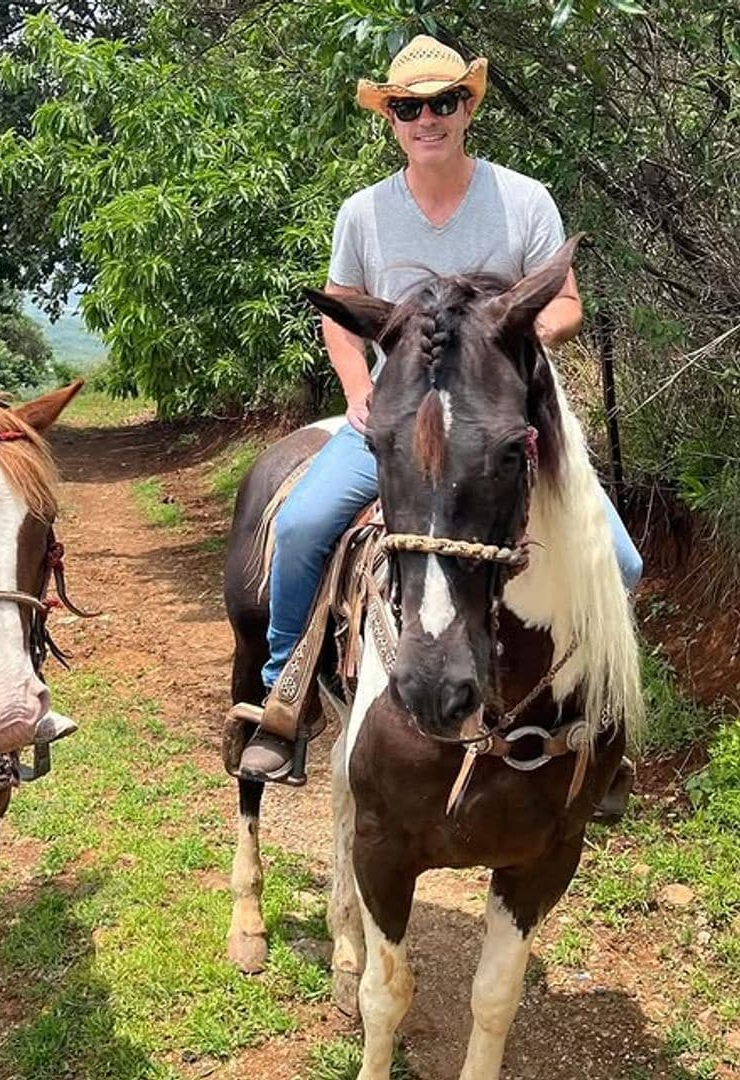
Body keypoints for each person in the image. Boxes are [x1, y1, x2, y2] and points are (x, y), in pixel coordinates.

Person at [238, 35, 643, 783]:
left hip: (503, 423)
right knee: (297, 527)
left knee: (620, 561)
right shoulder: (362, 213)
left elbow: (567, 304)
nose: (428, 118)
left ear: (468, 107)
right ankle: (284, 698)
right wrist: (359, 389)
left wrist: (503, 339)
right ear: (390, 119)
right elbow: (339, 314)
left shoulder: (523, 200)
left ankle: (597, 721)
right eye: (409, 107)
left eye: (444, 102)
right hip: (401, 422)